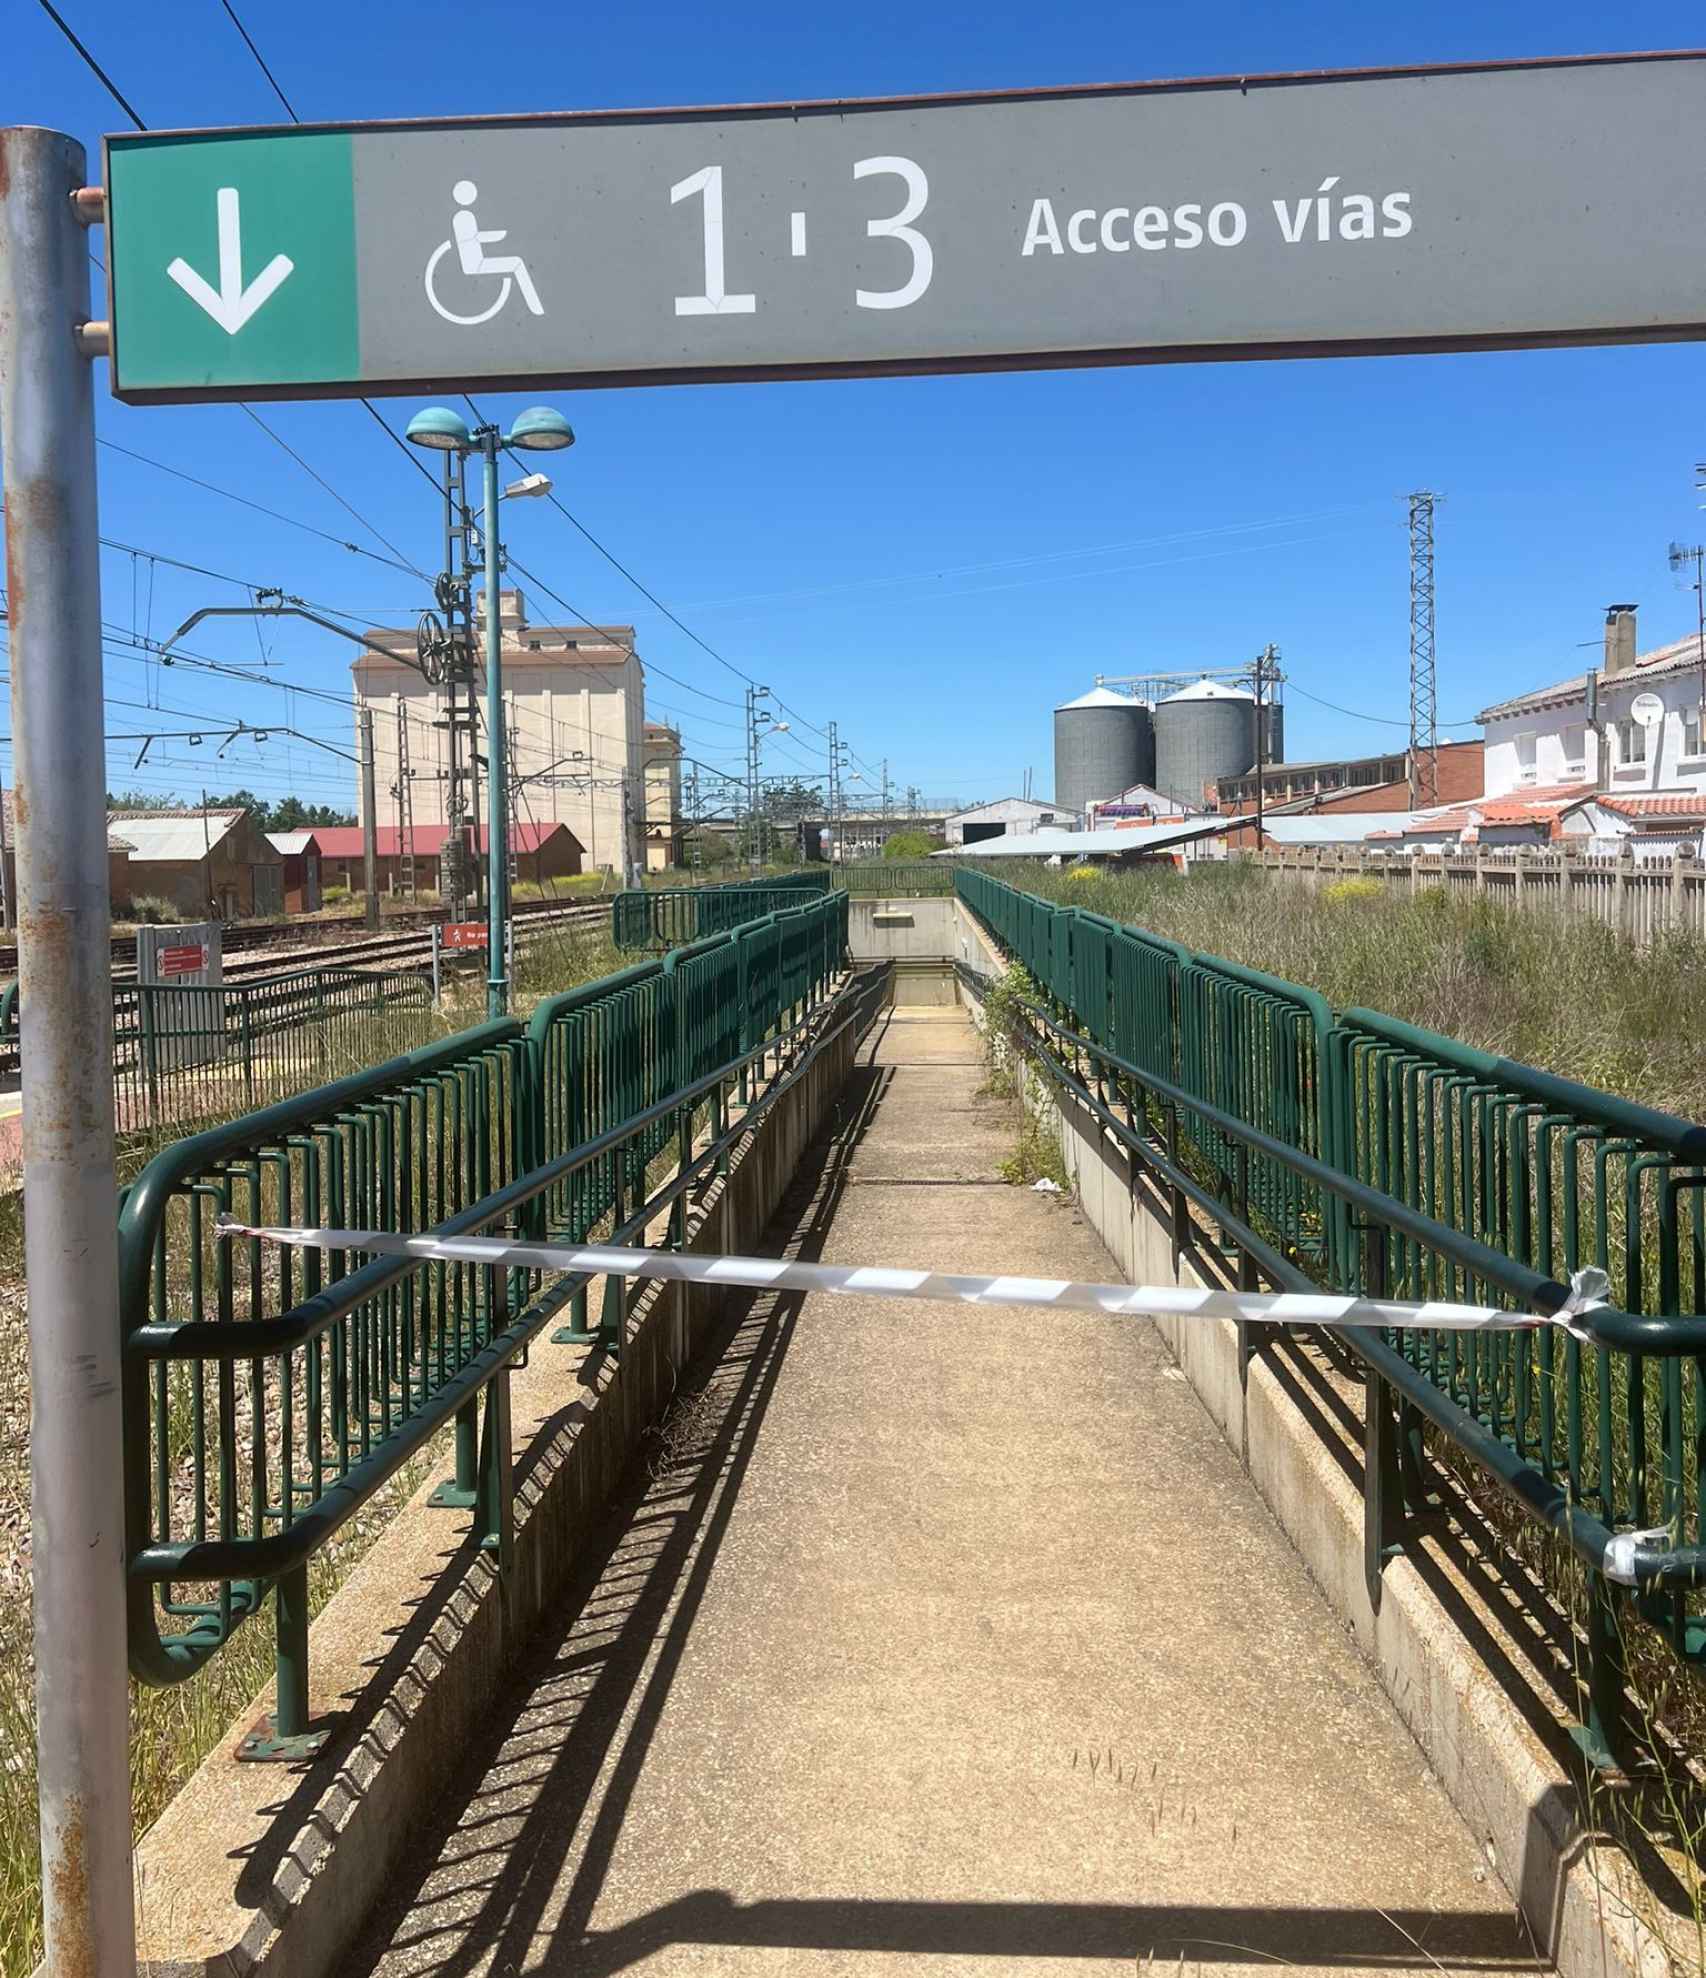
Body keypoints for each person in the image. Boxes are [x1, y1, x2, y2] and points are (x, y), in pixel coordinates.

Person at [450, 180, 543, 316]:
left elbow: (473, 238)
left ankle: (535, 305)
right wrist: (496, 236)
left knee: (516, 262)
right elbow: (471, 238)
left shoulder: (464, 215)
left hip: (478, 261)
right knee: (516, 263)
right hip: (475, 264)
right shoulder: (463, 217)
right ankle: (534, 306)